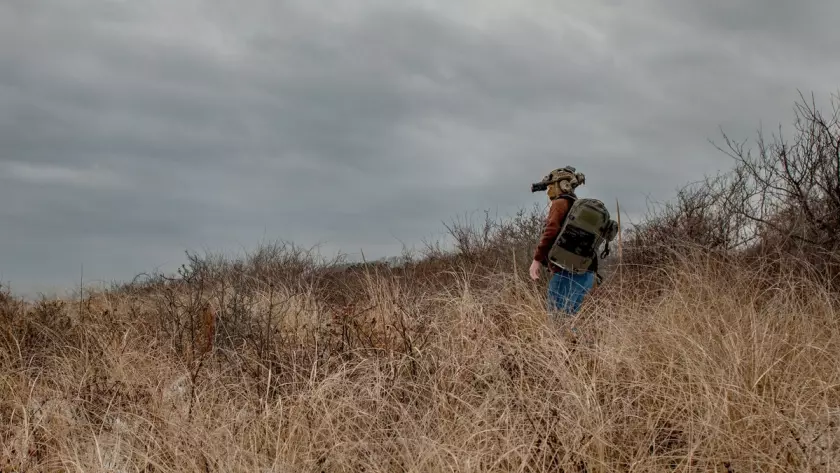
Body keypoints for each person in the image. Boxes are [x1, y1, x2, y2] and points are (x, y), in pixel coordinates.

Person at [528, 167, 602, 317]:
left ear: (562, 185)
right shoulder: (577, 206)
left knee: (557, 318)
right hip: (587, 272)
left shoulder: (560, 203)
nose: (548, 192)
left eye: (550, 187)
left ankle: (562, 341)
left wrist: (537, 260)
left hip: (567, 272)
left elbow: (551, 231)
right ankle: (573, 341)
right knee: (569, 318)